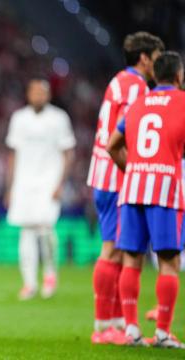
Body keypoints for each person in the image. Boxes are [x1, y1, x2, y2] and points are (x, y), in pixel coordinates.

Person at [87, 32, 164, 344]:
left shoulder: (120, 80)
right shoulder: (137, 88)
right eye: (157, 57)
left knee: (119, 249)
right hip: (116, 175)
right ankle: (103, 325)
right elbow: (119, 138)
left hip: (103, 174)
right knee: (114, 249)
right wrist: (134, 172)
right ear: (144, 58)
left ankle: (116, 322)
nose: (160, 63)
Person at [107, 51, 185, 348]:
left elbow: (112, 144)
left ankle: (131, 330)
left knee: (131, 259)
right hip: (164, 188)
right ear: (178, 76)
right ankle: (163, 332)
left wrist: (134, 168)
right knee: (169, 261)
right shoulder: (182, 101)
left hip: (133, 187)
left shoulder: (139, 102)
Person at [4, 78, 76, 301]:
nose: (38, 96)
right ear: (28, 94)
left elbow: (68, 153)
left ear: (49, 95)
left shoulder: (59, 118)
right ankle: (29, 283)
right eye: (34, 92)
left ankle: (50, 274)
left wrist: (61, 183)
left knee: (45, 229)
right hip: (24, 182)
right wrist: (10, 187)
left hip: (48, 181)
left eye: (42, 92)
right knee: (26, 231)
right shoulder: (19, 118)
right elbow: (12, 154)